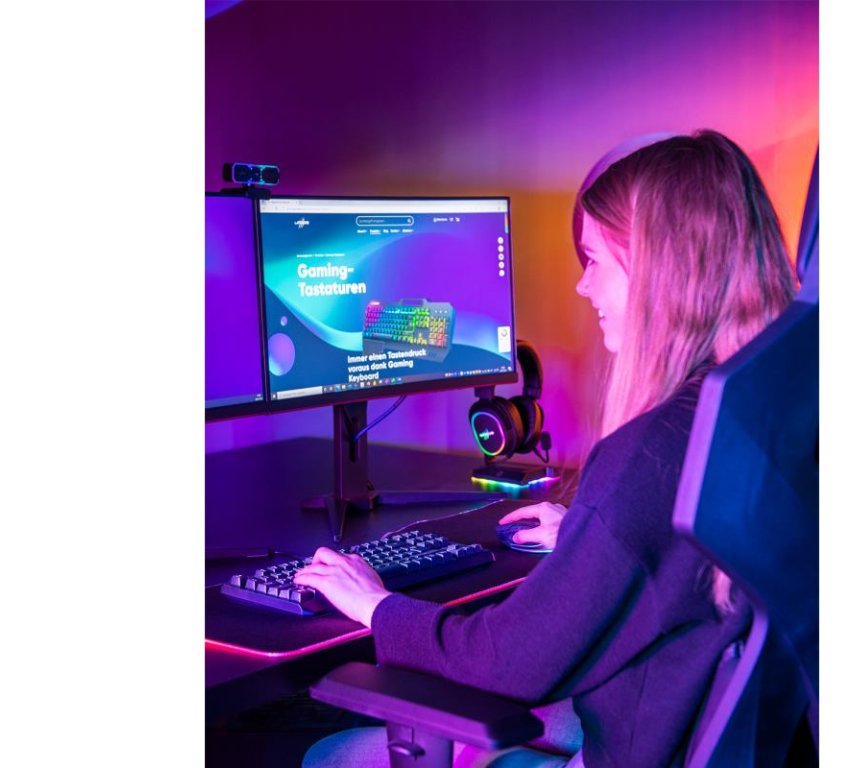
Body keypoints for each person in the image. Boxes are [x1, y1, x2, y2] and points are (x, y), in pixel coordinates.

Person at [297, 130, 797, 767]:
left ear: (660, 274)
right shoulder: (763, 411)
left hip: (637, 748)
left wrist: (376, 605)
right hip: (690, 728)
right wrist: (591, 538)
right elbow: (688, 557)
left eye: (596, 261)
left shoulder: (647, 456)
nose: (584, 288)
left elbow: (507, 664)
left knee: (333, 754)